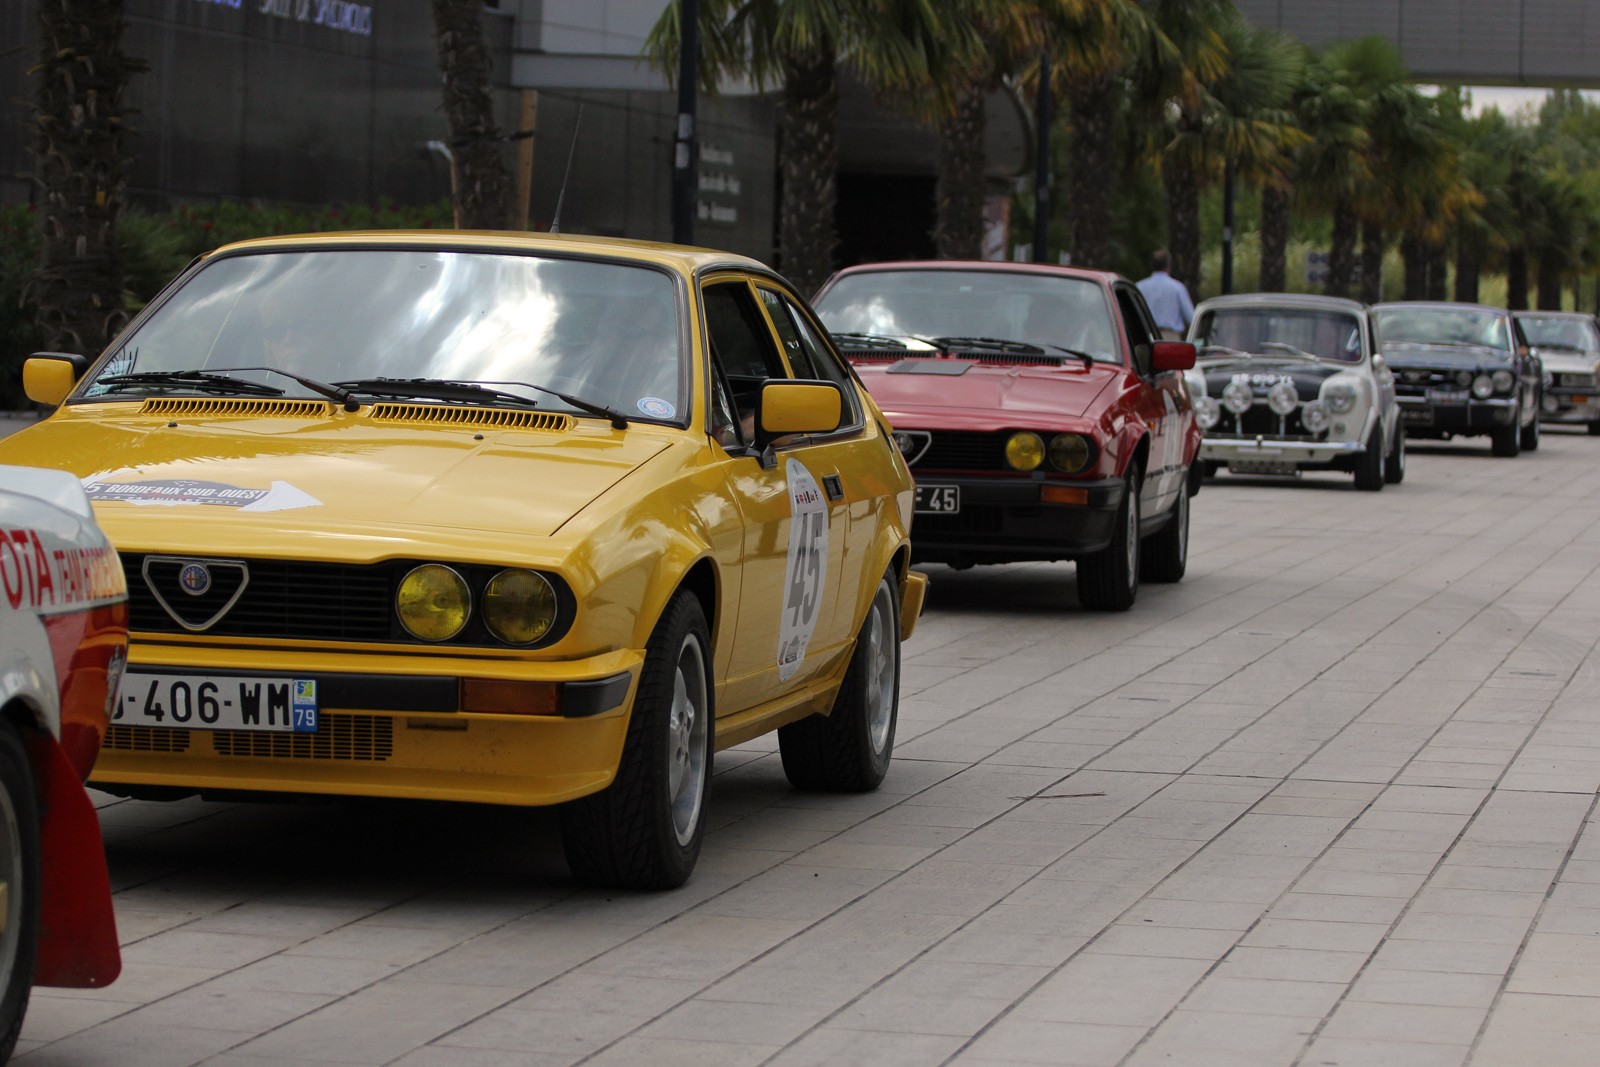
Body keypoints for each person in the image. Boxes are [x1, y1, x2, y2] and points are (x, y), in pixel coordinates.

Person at [1136, 249, 1195, 341]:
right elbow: (1191, 317)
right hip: (1170, 337)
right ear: (1168, 265)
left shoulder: (1139, 287)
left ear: (1151, 265)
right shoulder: (1177, 288)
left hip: (1146, 337)